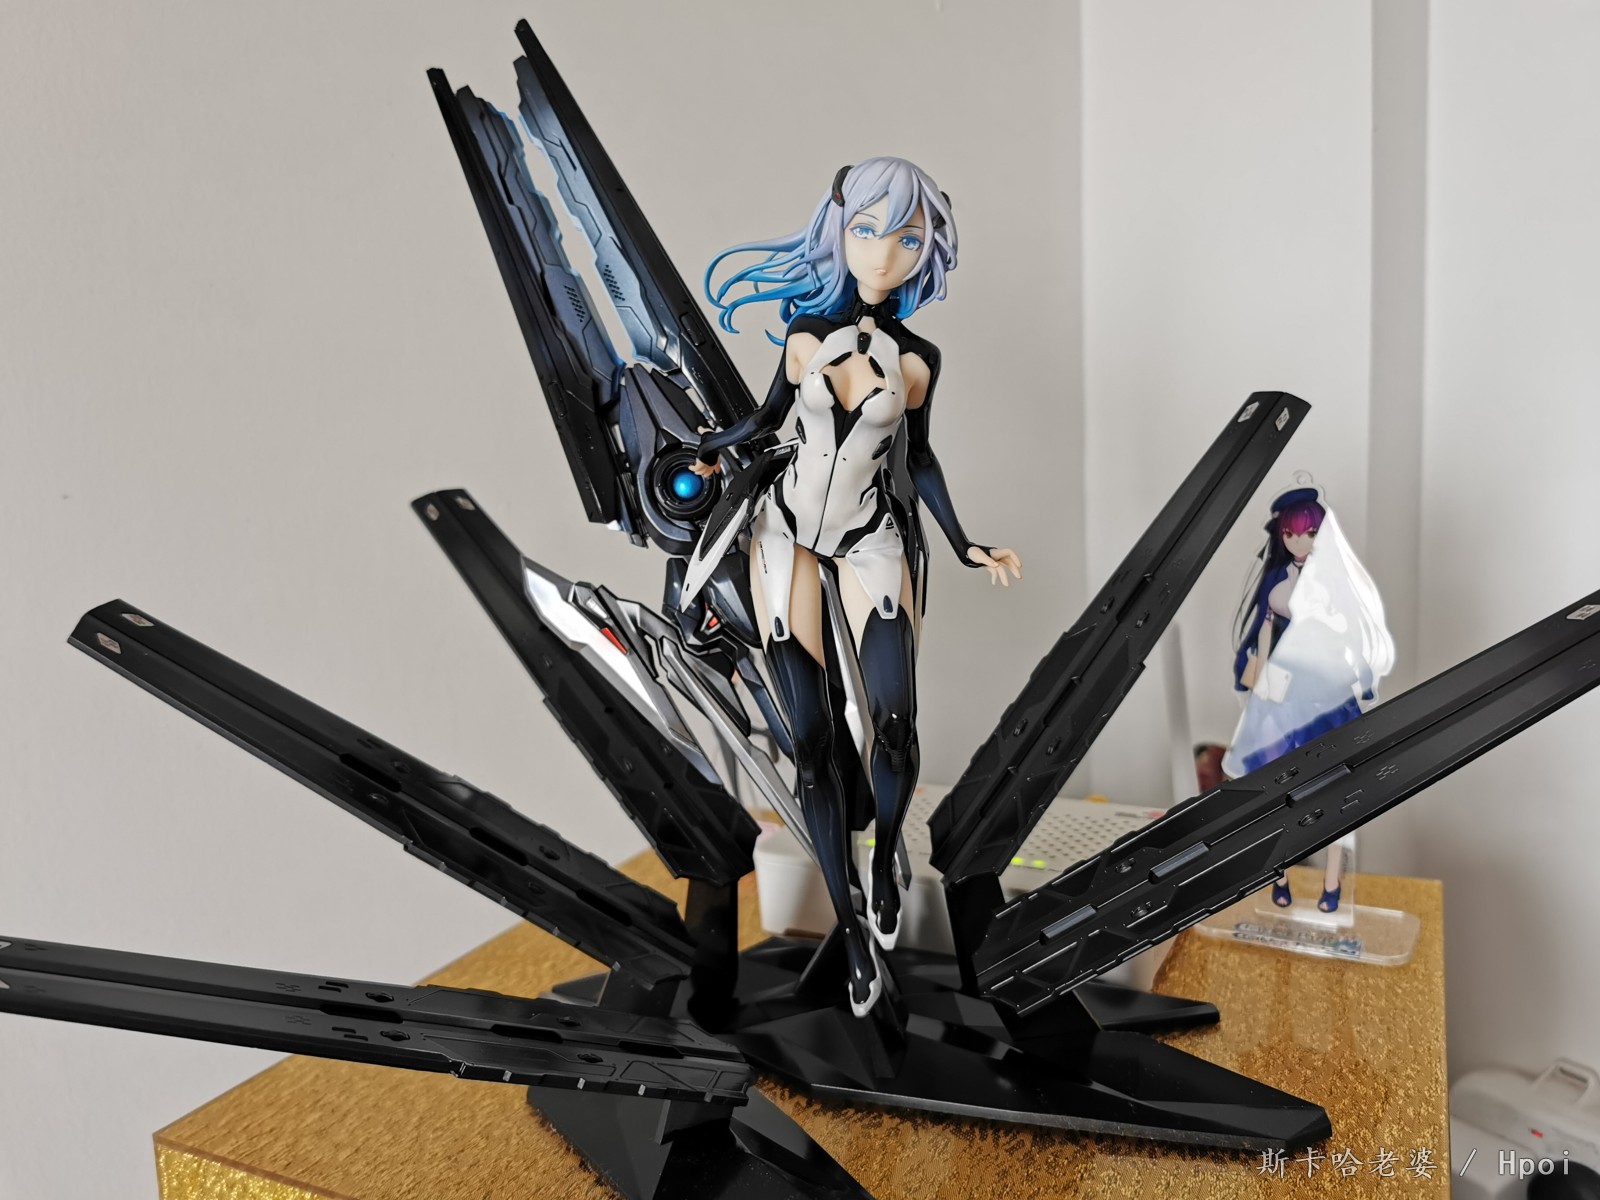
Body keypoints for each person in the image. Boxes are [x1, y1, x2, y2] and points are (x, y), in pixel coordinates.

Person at [687, 158, 1022, 1015]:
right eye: (866, 230)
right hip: (787, 532)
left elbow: (922, 458)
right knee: (809, 740)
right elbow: (764, 420)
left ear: (926, 250)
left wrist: (965, 541)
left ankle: (881, 863)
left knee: (896, 724)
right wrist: (710, 452)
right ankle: (852, 934)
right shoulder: (804, 334)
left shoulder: (919, 360)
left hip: (870, 534)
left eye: (905, 237)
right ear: (838, 231)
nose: (881, 253)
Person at [1225, 482, 1393, 911]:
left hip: (1324, 696)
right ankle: (1278, 877)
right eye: (1290, 534)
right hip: (1282, 696)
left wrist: (1360, 678)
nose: (1299, 542)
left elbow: (1348, 635)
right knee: (1277, 792)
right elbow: (1264, 628)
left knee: (1334, 792)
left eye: (1309, 533)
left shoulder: (1335, 582)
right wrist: (1259, 676)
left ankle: (1331, 884)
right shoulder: (1278, 579)